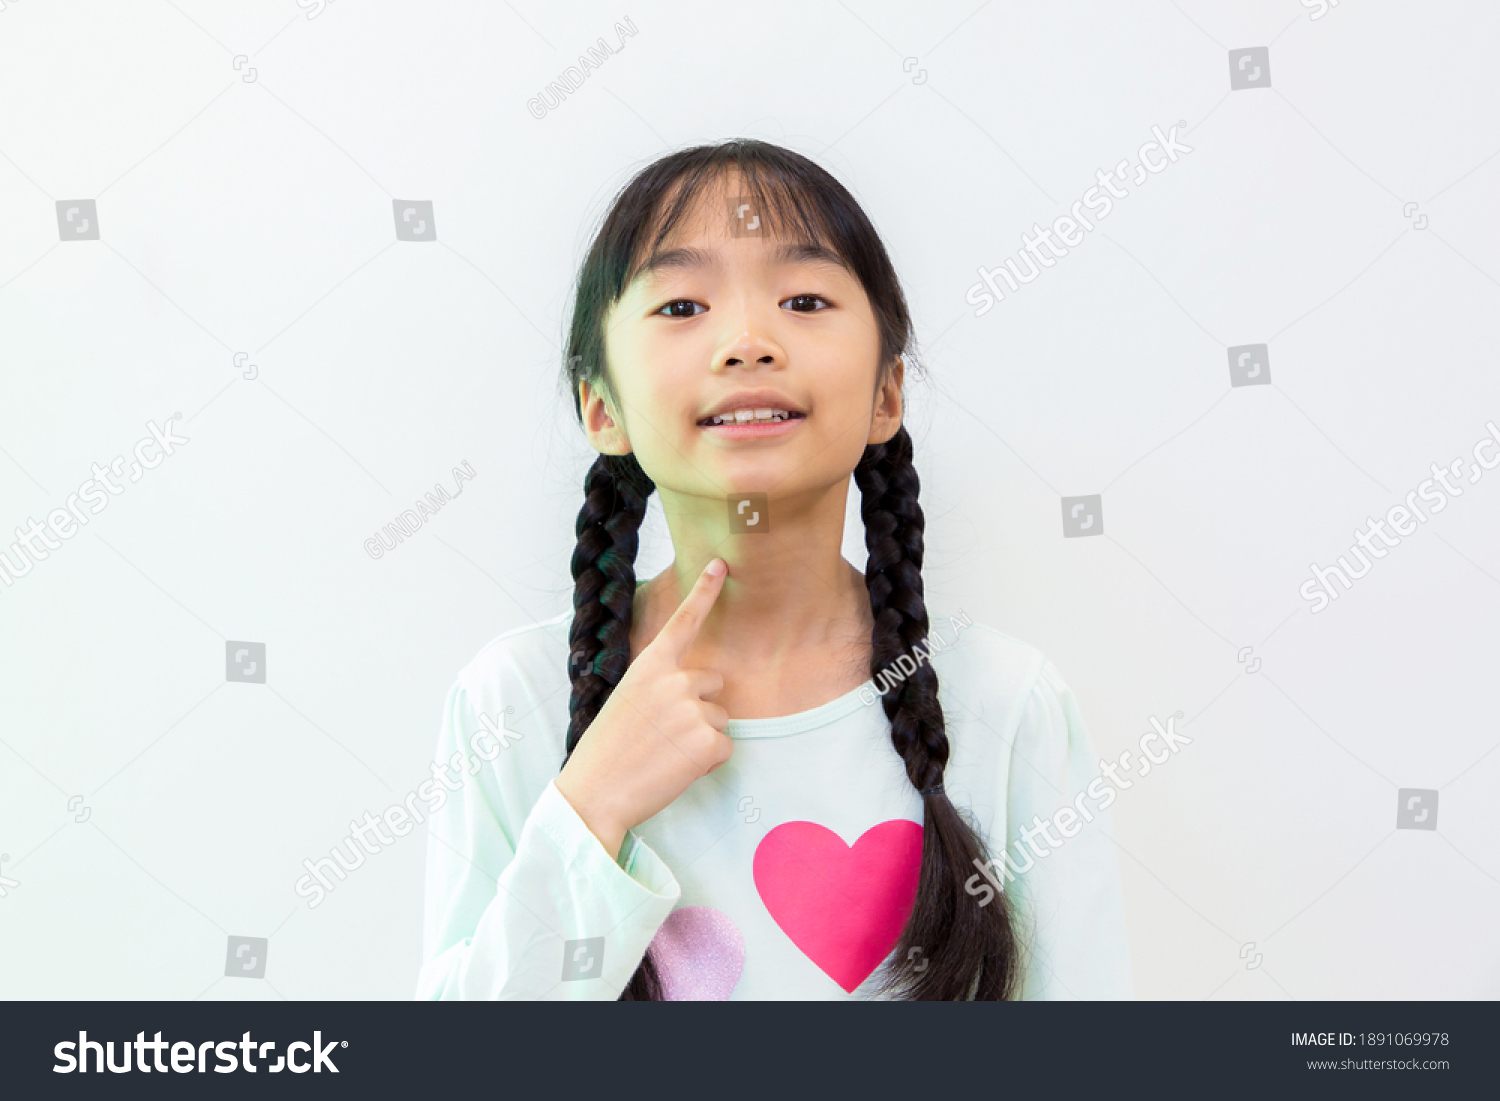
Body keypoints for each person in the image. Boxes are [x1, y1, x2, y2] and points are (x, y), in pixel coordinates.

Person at [416, 139, 1131, 1000]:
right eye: (682, 305)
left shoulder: (1006, 704)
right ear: (601, 406)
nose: (748, 341)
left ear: (886, 396)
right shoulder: (514, 701)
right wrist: (590, 806)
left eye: (803, 299)